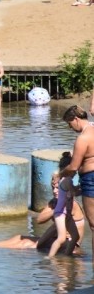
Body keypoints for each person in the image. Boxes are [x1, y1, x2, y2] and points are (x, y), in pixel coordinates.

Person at [59, 105, 94, 257]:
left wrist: (59, 175)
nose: (70, 127)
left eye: (69, 123)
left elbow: (73, 167)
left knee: (93, 224)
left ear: (76, 119)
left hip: (90, 179)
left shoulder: (83, 138)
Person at [50, 152, 83, 256]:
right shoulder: (66, 181)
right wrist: (83, 188)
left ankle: (66, 255)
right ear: (67, 169)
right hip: (60, 213)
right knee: (61, 238)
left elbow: (73, 192)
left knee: (75, 237)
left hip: (67, 213)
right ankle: (49, 257)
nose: (75, 172)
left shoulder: (68, 180)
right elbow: (74, 192)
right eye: (74, 170)